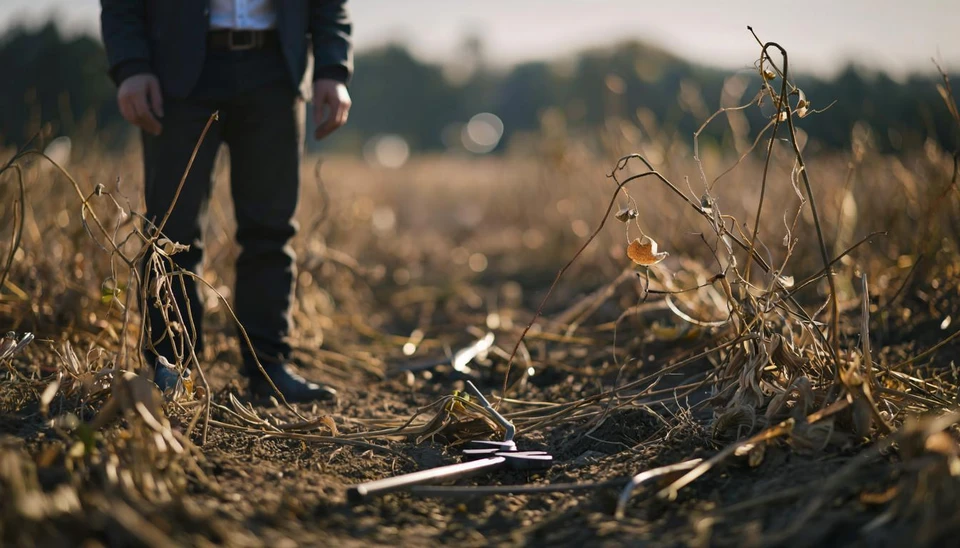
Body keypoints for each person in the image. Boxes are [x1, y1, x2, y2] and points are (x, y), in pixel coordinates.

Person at [100, 0, 353, 402]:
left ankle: (269, 368)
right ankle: (172, 368)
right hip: (176, 73)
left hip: (276, 70)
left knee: (271, 229)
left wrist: (332, 69)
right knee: (170, 231)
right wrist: (131, 65)